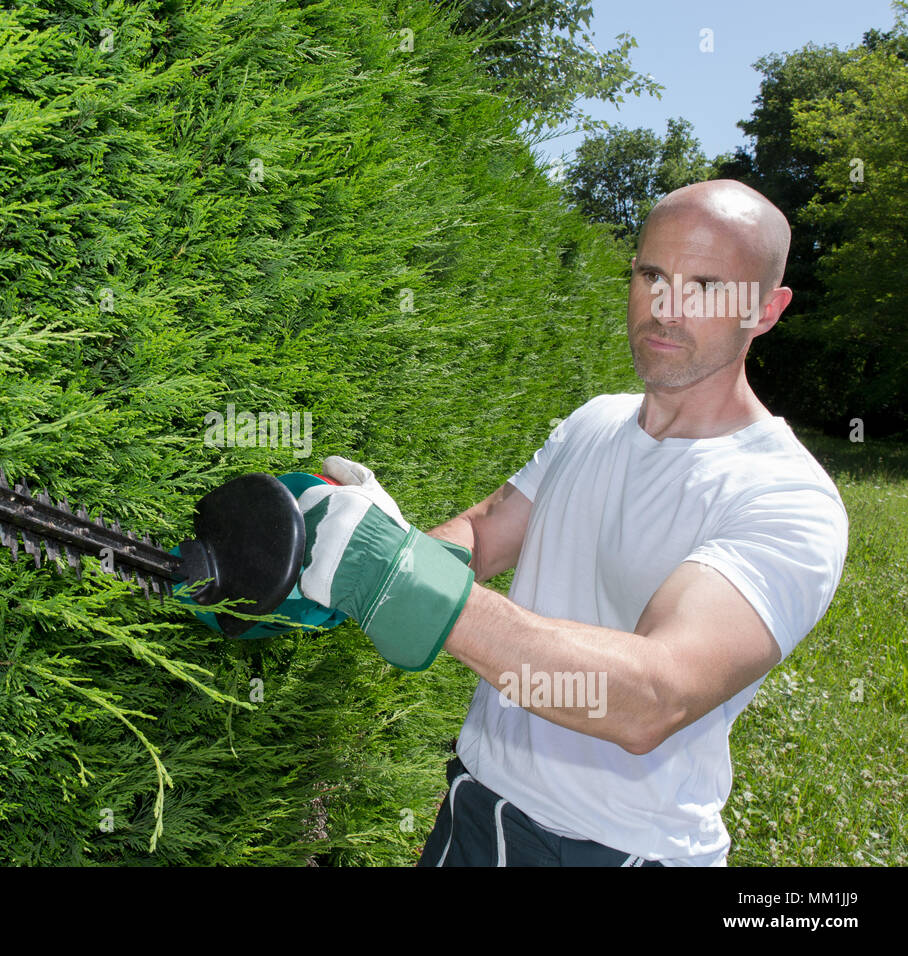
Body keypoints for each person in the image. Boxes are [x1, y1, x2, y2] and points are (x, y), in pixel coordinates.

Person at [297, 179, 848, 866]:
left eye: (706, 287)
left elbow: (654, 695)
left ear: (767, 309)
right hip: (476, 802)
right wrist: (345, 553)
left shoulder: (787, 498)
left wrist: (401, 578)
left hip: (613, 849)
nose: (665, 308)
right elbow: (487, 530)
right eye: (652, 274)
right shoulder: (595, 420)